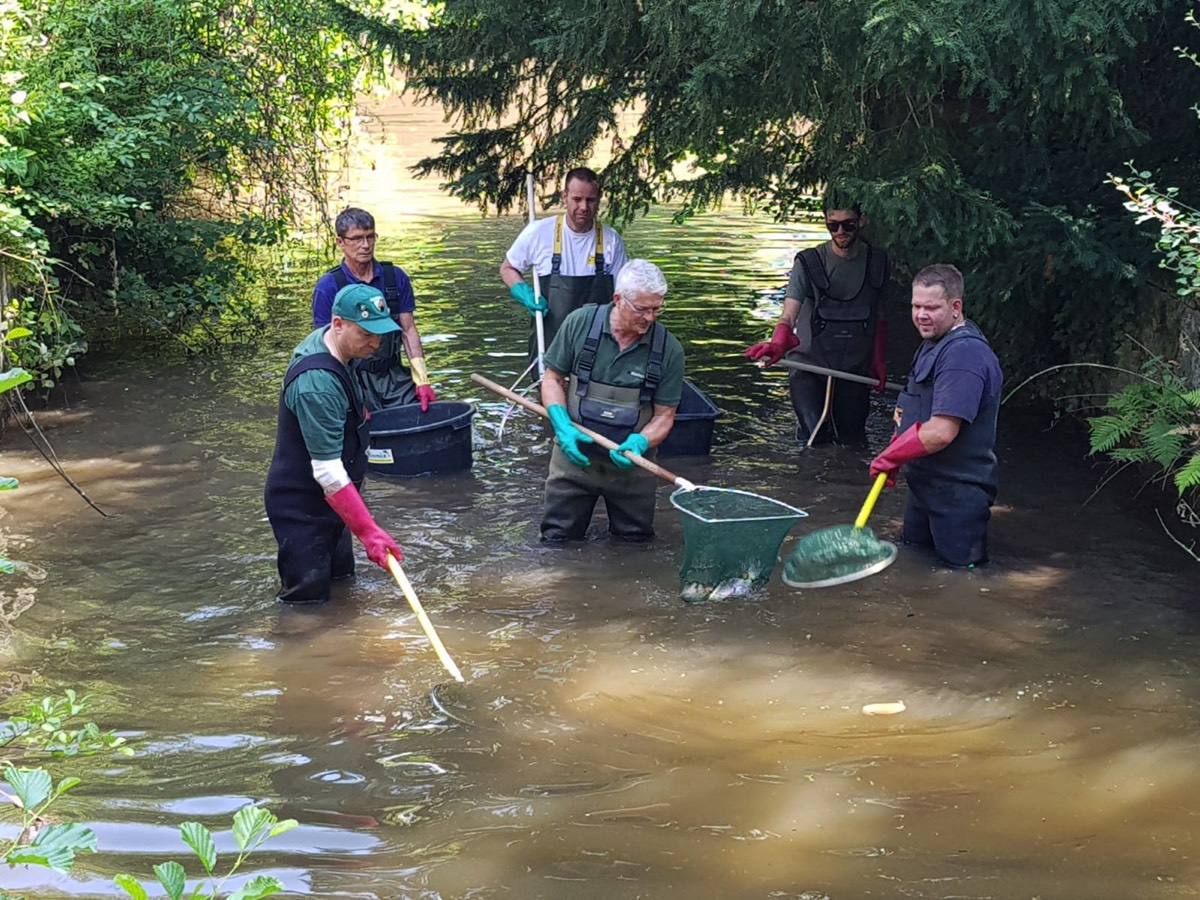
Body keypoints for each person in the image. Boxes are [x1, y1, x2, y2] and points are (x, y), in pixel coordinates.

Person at [265, 283, 405, 604]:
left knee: (343, 587)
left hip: (335, 505)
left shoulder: (343, 349)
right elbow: (328, 473)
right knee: (306, 605)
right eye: (367, 334)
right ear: (338, 324)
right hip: (303, 508)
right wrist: (369, 531)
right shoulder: (316, 384)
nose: (376, 343)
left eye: (380, 333)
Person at [538, 259, 685, 542]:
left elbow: (665, 415)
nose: (651, 318)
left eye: (657, 308)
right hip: (573, 463)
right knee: (557, 542)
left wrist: (641, 443)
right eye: (642, 309)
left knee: (634, 548)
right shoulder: (579, 324)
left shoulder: (669, 349)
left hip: (633, 467)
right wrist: (561, 425)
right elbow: (553, 379)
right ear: (618, 299)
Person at [869, 264, 1003, 568]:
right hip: (924, 489)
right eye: (916, 306)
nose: (920, 315)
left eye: (931, 307)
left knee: (960, 582)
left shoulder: (963, 356)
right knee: (914, 565)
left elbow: (941, 431)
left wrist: (889, 459)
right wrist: (895, 452)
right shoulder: (932, 343)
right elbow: (910, 411)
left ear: (955, 307)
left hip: (957, 495)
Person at [745, 195, 890, 447]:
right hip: (810, 368)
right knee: (814, 439)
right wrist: (779, 342)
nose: (841, 231)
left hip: (855, 370)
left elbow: (879, 316)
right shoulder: (808, 262)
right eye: (833, 225)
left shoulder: (878, 261)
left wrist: (878, 360)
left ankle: (847, 484)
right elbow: (789, 313)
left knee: (852, 442)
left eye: (848, 224)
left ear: (862, 221)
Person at [500, 167, 629, 364]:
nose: (584, 207)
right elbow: (508, 268)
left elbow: (623, 296)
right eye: (577, 199)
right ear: (564, 196)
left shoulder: (611, 240)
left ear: (599, 199)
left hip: (597, 351)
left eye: (590, 200)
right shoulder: (538, 233)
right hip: (549, 347)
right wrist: (524, 293)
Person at [312, 208, 437, 412]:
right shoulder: (328, 286)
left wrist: (422, 379)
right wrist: (349, 395)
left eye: (370, 237)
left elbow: (409, 330)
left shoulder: (395, 278)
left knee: (426, 415)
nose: (366, 245)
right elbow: (325, 345)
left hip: (394, 376)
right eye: (357, 239)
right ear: (340, 242)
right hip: (354, 378)